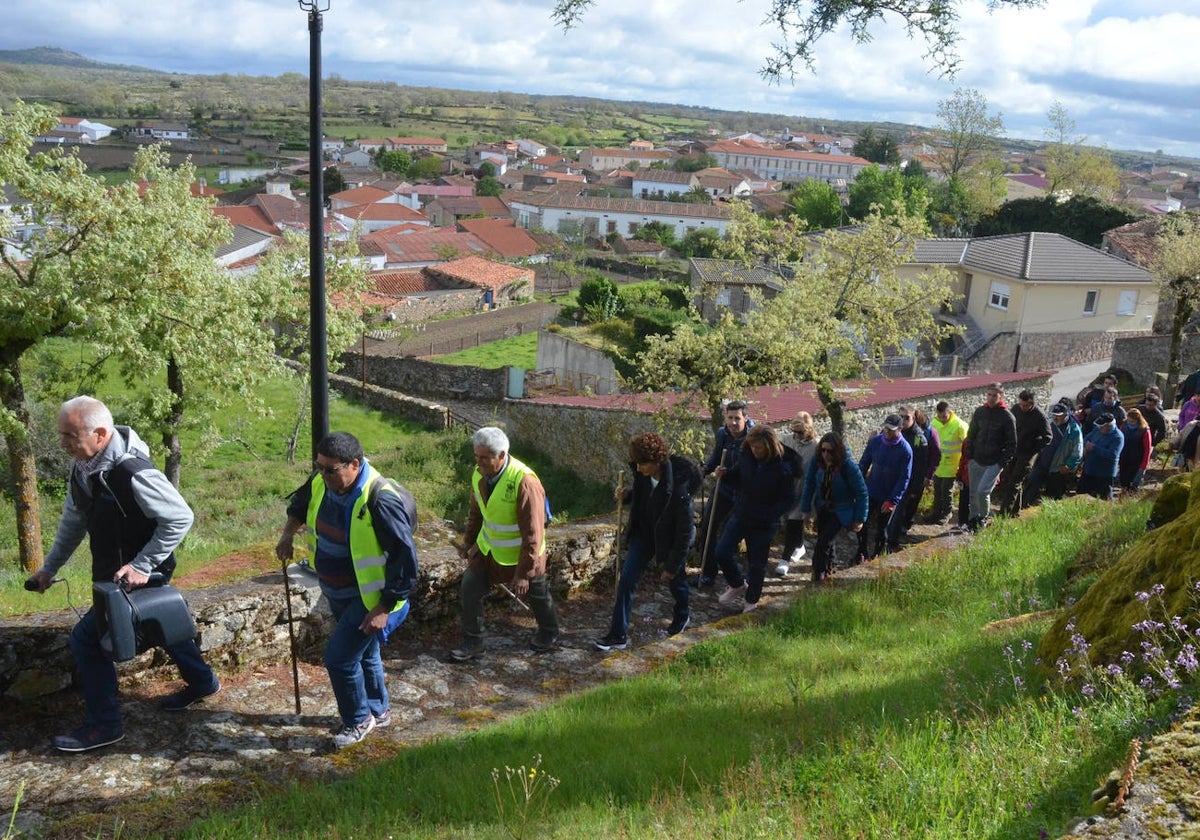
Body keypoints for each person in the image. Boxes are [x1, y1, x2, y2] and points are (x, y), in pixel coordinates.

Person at [27, 396, 220, 753]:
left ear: (100, 434)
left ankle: (105, 726)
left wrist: (143, 565)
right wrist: (50, 568)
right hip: (115, 572)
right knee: (164, 623)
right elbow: (73, 522)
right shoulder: (84, 467)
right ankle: (203, 682)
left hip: (138, 573)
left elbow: (180, 517)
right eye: (61, 435)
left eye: (70, 435)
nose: (63, 444)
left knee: (88, 640)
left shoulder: (132, 471)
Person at [277, 431, 418, 749]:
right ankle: (379, 712)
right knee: (365, 653)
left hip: (368, 599)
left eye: (330, 469)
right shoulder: (321, 481)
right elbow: (299, 504)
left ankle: (358, 720)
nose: (322, 475)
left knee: (339, 659)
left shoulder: (380, 499)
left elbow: (405, 561)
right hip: (335, 589)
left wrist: (384, 608)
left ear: (354, 464)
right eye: (319, 467)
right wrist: (287, 535)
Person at [450, 427, 560, 661]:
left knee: (537, 594)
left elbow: (533, 533)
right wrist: (469, 542)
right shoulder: (478, 474)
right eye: (476, 457)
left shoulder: (525, 482)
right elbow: (476, 513)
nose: (479, 463)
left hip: (524, 556)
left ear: (501, 455)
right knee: (470, 586)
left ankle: (549, 632)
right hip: (489, 550)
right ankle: (474, 642)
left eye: (484, 458)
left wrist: (523, 573)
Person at [592, 433, 699, 651]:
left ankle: (683, 615)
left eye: (643, 464)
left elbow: (684, 532)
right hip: (644, 534)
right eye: (637, 463)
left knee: (676, 581)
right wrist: (627, 495)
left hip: (669, 540)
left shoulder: (678, 489)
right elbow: (645, 497)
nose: (638, 468)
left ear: (658, 462)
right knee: (626, 582)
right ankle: (617, 635)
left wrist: (671, 565)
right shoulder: (642, 473)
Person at [713, 426, 800, 613]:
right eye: (753, 447)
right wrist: (725, 474)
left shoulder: (783, 466)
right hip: (742, 512)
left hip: (765, 522)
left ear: (769, 446)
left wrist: (771, 514)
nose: (756, 451)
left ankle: (751, 600)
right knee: (721, 551)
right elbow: (739, 476)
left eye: (759, 448)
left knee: (757, 563)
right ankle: (737, 585)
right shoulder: (747, 454)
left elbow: (788, 498)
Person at [695, 399, 754, 587]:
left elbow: (750, 467)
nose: (733, 423)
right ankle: (708, 573)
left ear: (746, 418)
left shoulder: (755, 437)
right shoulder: (723, 434)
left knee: (750, 533)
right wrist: (705, 469)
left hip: (746, 493)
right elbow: (716, 456)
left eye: (737, 418)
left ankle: (753, 576)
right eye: (730, 418)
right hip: (724, 488)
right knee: (708, 526)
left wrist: (728, 472)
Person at [799, 433, 869, 583]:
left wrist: (859, 519)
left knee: (822, 543)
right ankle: (831, 566)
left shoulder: (848, 466)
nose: (826, 454)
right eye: (823, 450)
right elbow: (809, 484)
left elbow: (861, 493)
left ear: (837, 451)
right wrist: (805, 510)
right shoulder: (817, 462)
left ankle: (819, 575)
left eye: (830, 451)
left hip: (841, 510)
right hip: (822, 507)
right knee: (826, 541)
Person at [961, 383, 1017, 530]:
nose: (991, 398)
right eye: (989, 395)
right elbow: (971, 434)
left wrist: (1001, 463)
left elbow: (1012, 444)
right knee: (973, 493)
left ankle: (983, 517)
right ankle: (973, 520)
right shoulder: (980, 412)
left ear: (1001, 396)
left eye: (995, 395)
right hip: (976, 459)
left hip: (994, 462)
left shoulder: (1007, 417)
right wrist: (970, 456)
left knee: (983, 491)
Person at [857, 414, 912, 559]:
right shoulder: (875, 442)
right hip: (871, 490)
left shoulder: (905, 450)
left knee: (882, 528)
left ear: (900, 429)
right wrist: (857, 484)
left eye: (891, 430)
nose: (887, 431)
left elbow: (904, 478)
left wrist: (892, 501)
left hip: (888, 495)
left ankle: (878, 554)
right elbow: (863, 463)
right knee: (862, 522)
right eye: (886, 428)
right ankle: (861, 552)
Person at [993, 390, 1052, 517]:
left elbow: (1048, 437)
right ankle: (1015, 511)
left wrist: (1033, 448)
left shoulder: (1039, 416)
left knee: (1015, 481)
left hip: (1028, 453)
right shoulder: (1016, 409)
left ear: (1032, 403)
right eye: (1021, 404)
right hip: (1014, 449)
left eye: (1026, 405)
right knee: (1011, 480)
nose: (1023, 408)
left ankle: (1004, 514)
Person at [777, 411, 817, 577]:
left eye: (800, 432)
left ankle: (784, 560)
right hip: (787, 489)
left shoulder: (816, 446)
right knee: (789, 522)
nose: (797, 436)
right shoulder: (786, 440)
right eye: (794, 432)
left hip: (805, 490)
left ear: (808, 430)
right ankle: (800, 546)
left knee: (794, 522)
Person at [1022, 402, 1083, 508]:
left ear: (1066, 414)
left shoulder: (1074, 430)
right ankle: (1021, 508)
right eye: (1054, 414)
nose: (1055, 417)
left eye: (1058, 415)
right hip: (1041, 464)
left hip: (1057, 469)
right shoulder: (1049, 421)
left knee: (1052, 496)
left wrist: (1068, 465)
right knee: (1030, 487)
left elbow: (1077, 452)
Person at [895, 405, 940, 540]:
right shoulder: (897, 430)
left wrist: (928, 476)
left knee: (910, 504)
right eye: (900, 417)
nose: (902, 420)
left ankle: (903, 528)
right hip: (900, 475)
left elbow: (935, 455)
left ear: (914, 417)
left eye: (906, 417)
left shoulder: (925, 434)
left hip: (916, 475)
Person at [930, 401, 969, 524]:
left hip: (952, 465)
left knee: (946, 491)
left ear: (949, 412)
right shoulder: (934, 422)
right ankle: (935, 513)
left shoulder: (959, 425)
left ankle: (947, 513)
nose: (942, 420)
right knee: (937, 490)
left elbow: (967, 445)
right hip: (938, 465)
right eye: (940, 416)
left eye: (944, 417)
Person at [1079, 413, 1124, 500]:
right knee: (1082, 494)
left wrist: (1094, 448)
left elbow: (1113, 455)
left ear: (1109, 425)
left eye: (1102, 426)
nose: (1100, 428)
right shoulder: (1097, 430)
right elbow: (1086, 438)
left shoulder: (1118, 437)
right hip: (1089, 469)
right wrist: (1085, 447)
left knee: (1103, 499)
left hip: (1104, 474)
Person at [1118, 409, 1153, 492]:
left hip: (1136, 460)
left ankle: (1129, 494)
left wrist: (1144, 465)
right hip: (1124, 457)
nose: (1130, 423)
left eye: (1132, 421)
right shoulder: (1123, 426)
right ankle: (1123, 492)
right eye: (1129, 420)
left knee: (1131, 480)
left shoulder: (1144, 430)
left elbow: (1147, 449)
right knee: (1123, 479)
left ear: (1138, 420)